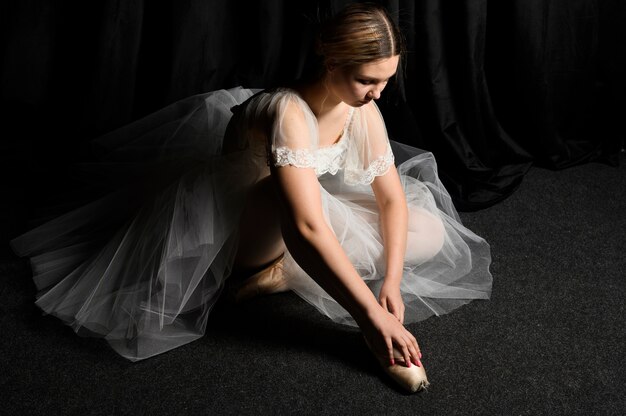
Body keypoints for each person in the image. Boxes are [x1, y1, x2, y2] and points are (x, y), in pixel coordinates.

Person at [10, 4, 492, 393]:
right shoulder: (288, 110)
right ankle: (265, 272)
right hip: (240, 230)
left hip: (301, 217)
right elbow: (304, 225)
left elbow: (390, 200)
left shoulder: (358, 109)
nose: (377, 94)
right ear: (332, 62)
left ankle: (281, 277)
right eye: (368, 80)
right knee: (283, 197)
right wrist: (370, 317)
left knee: (424, 230)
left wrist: (388, 282)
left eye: (386, 80)